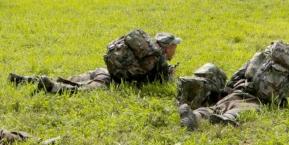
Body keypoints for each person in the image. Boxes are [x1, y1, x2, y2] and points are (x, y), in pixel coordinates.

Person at [177, 41, 289, 130]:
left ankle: (196, 115)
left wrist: (229, 88)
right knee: (244, 109)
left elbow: (239, 73)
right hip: (259, 100)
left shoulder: (260, 57)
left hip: (241, 88)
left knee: (218, 106)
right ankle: (226, 119)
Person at [10, 31, 179, 94]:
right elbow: (159, 85)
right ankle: (52, 88)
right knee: (82, 90)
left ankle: (27, 79)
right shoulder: (160, 60)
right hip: (114, 80)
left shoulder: (146, 47)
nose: (175, 50)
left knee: (73, 78)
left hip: (105, 69)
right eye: (174, 47)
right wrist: (170, 76)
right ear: (167, 47)